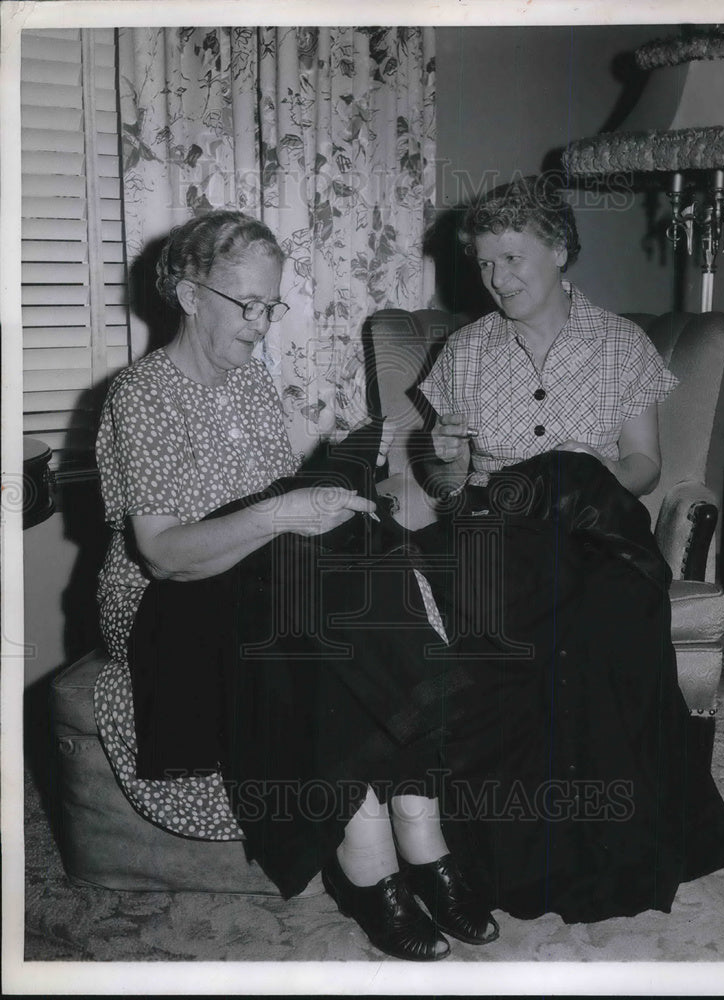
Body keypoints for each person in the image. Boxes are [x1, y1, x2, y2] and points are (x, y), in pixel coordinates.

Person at [94, 209, 497, 961]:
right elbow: (165, 555)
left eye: (271, 306)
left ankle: (418, 827)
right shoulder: (141, 396)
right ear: (188, 294)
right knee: (313, 583)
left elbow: (275, 513)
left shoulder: (248, 380)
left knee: (358, 549)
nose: (262, 324)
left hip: (261, 575)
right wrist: (285, 510)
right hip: (168, 602)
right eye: (249, 305)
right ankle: (381, 853)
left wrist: (322, 498)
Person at [411, 176, 724, 923]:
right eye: (486, 264)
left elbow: (645, 465)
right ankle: (508, 861)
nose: (498, 278)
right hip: (498, 533)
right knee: (511, 636)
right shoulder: (463, 352)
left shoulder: (620, 343)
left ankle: (608, 854)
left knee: (597, 613)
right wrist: (443, 457)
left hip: (597, 531)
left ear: (560, 250)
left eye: (514, 258)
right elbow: (447, 484)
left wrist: (572, 482)